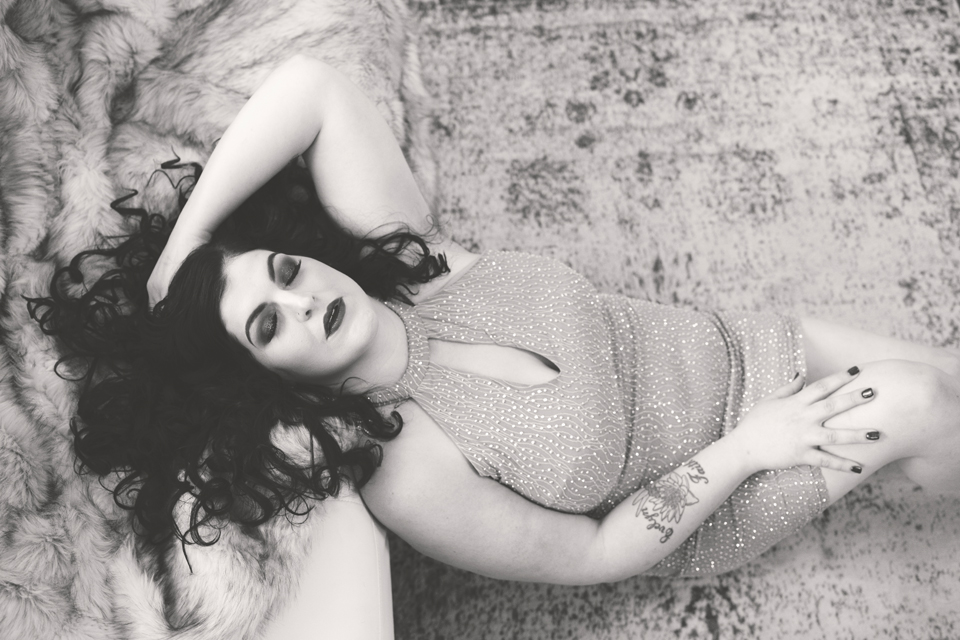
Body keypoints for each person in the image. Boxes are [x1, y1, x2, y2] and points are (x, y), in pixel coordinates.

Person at [28, 54, 960, 637]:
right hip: (728, 475)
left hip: (738, 346)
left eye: (281, 271)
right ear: (259, 380)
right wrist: (753, 448)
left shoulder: (417, 259)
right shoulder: (405, 470)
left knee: (949, 383)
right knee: (923, 401)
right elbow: (594, 552)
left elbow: (311, 89)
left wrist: (189, 246)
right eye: (268, 326)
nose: (303, 299)